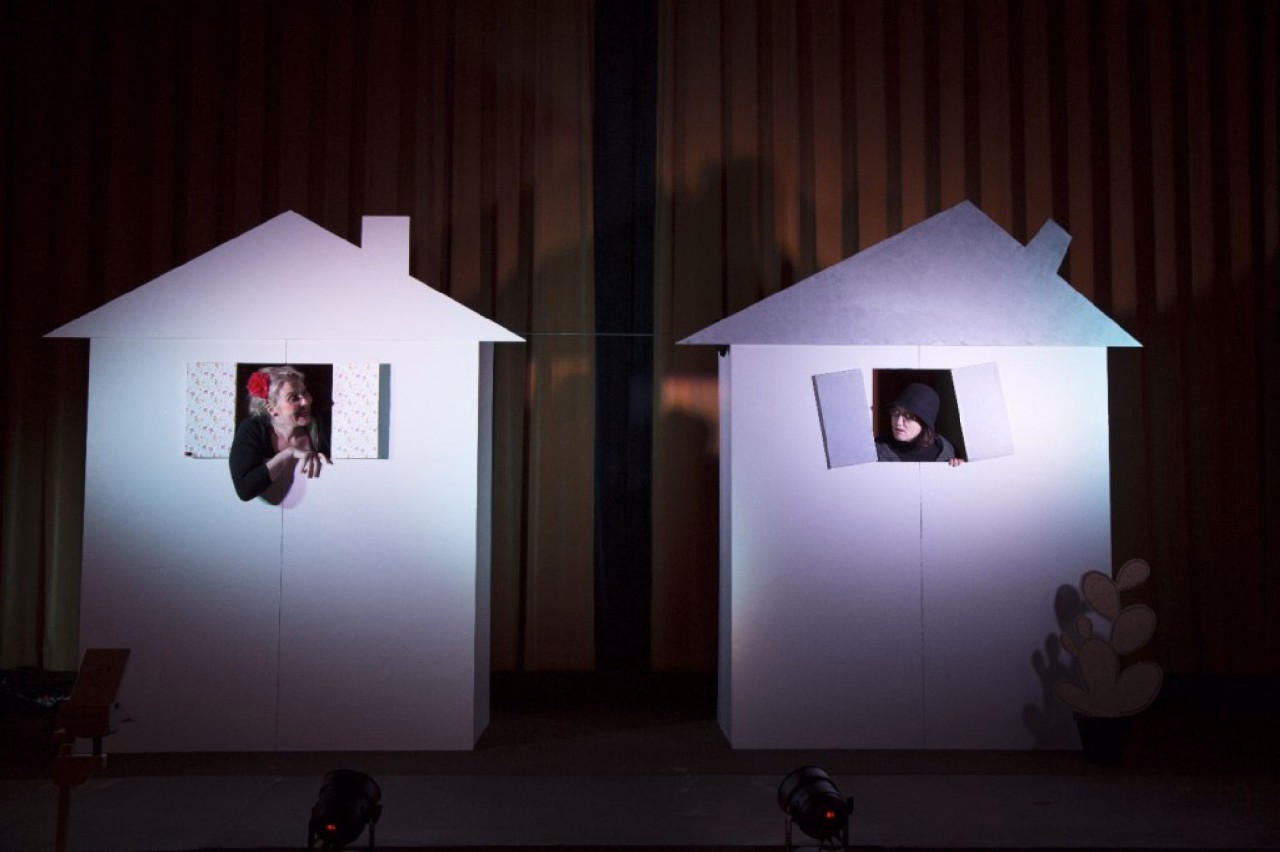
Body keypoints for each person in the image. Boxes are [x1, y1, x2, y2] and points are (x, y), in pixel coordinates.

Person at [229, 365, 329, 501]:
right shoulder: (253, 429)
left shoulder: (322, 426)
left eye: (305, 393)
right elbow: (245, 490)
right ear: (271, 409)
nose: (306, 401)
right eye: (294, 398)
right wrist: (288, 453)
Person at [875, 382, 964, 466]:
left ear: (925, 423)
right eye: (896, 412)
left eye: (908, 416)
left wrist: (960, 471)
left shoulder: (947, 453)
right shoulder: (875, 452)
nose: (898, 422)